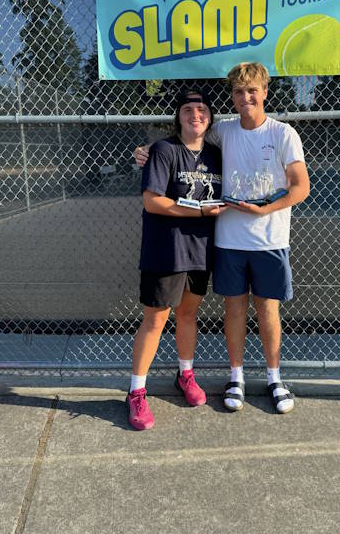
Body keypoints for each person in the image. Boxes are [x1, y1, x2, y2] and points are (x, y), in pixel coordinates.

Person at [134, 63, 309, 414]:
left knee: (268, 309)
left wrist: (265, 210)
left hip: (269, 240)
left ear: (264, 93)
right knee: (234, 309)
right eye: (239, 92)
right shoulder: (223, 132)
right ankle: (236, 377)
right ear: (232, 97)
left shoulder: (283, 133)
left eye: (252, 91)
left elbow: (301, 187)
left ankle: (274, 378)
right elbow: (186, 138)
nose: (246, 97)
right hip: (227, 241)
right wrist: (149, 150)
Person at [127, 89, 224, 430]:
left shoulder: (216, 154)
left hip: (200, 251)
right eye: (187, 109)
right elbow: (152, 201)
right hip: (165, 251)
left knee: (188, 314)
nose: (195, 114)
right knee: (155, 321)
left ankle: (185, 374)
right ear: (178, 116)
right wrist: (199, 211)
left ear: (210, 116)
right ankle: (136, 391)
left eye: (201, 109)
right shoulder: (164, 150)